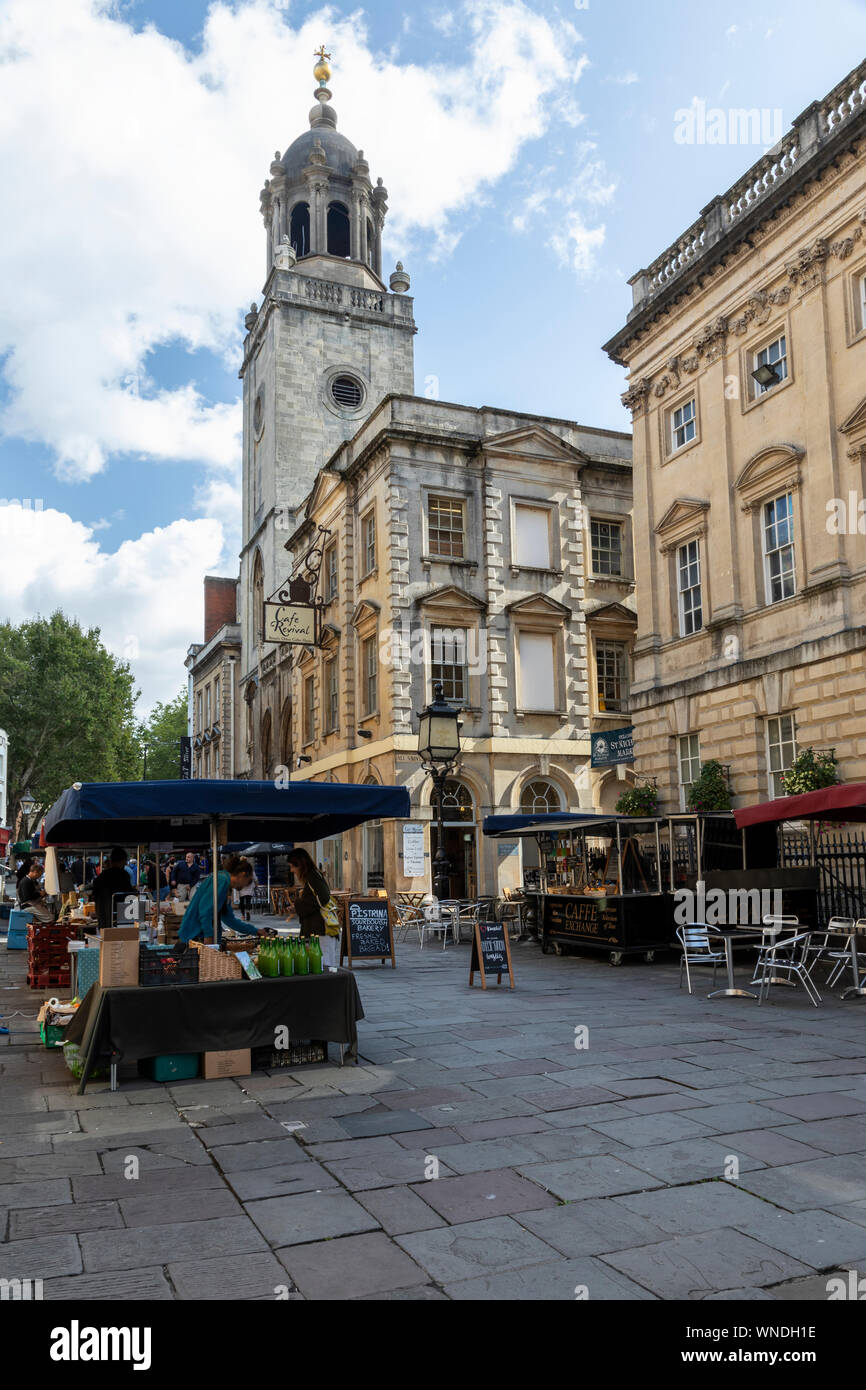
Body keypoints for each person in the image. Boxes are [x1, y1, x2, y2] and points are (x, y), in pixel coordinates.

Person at [177, 855, 263, 946]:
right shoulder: (222, 880)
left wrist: (256, 931)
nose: (247, 885)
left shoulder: (224, 882)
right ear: (242, 875)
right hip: (195, 937)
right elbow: (205, 911)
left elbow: (230, 920)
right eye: (249, 881)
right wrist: (208, 935)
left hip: (197, 937)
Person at [92, 848, 137, 934]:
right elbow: (129, 895)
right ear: (123, 860)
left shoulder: (101, 876)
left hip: (103, 917)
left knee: (106, 941)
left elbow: (94, 895)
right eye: (125, 861)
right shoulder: (124, 875)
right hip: (119, 917)